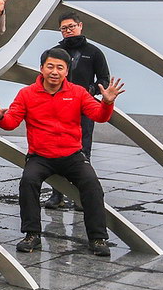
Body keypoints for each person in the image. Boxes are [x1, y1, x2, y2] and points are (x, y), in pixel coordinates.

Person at [0, 47, 125, 258]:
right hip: (40, 156)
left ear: (66, 71)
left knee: (92, 186)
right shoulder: (27, 94)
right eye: (50, 66)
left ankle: (98, 238)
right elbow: (11, 122)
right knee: (28, 182)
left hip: (72, 155)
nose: (54, 71)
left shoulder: (78, 92)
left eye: (60, 68)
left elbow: (99, 116)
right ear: (41, 68)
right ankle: (32, 234)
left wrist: (107, 102)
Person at [45, 12, 112, 209]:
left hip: (83, 108)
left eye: (71, 27)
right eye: (64, 28)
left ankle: (79, 196)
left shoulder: (94, 52)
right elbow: (46, 76)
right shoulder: (55, 52)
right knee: (55, 150)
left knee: (82, 151)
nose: (68, 31)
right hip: (57, 108)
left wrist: (91, 90)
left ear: (80, 26)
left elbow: (104, 78)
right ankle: (57, 194)